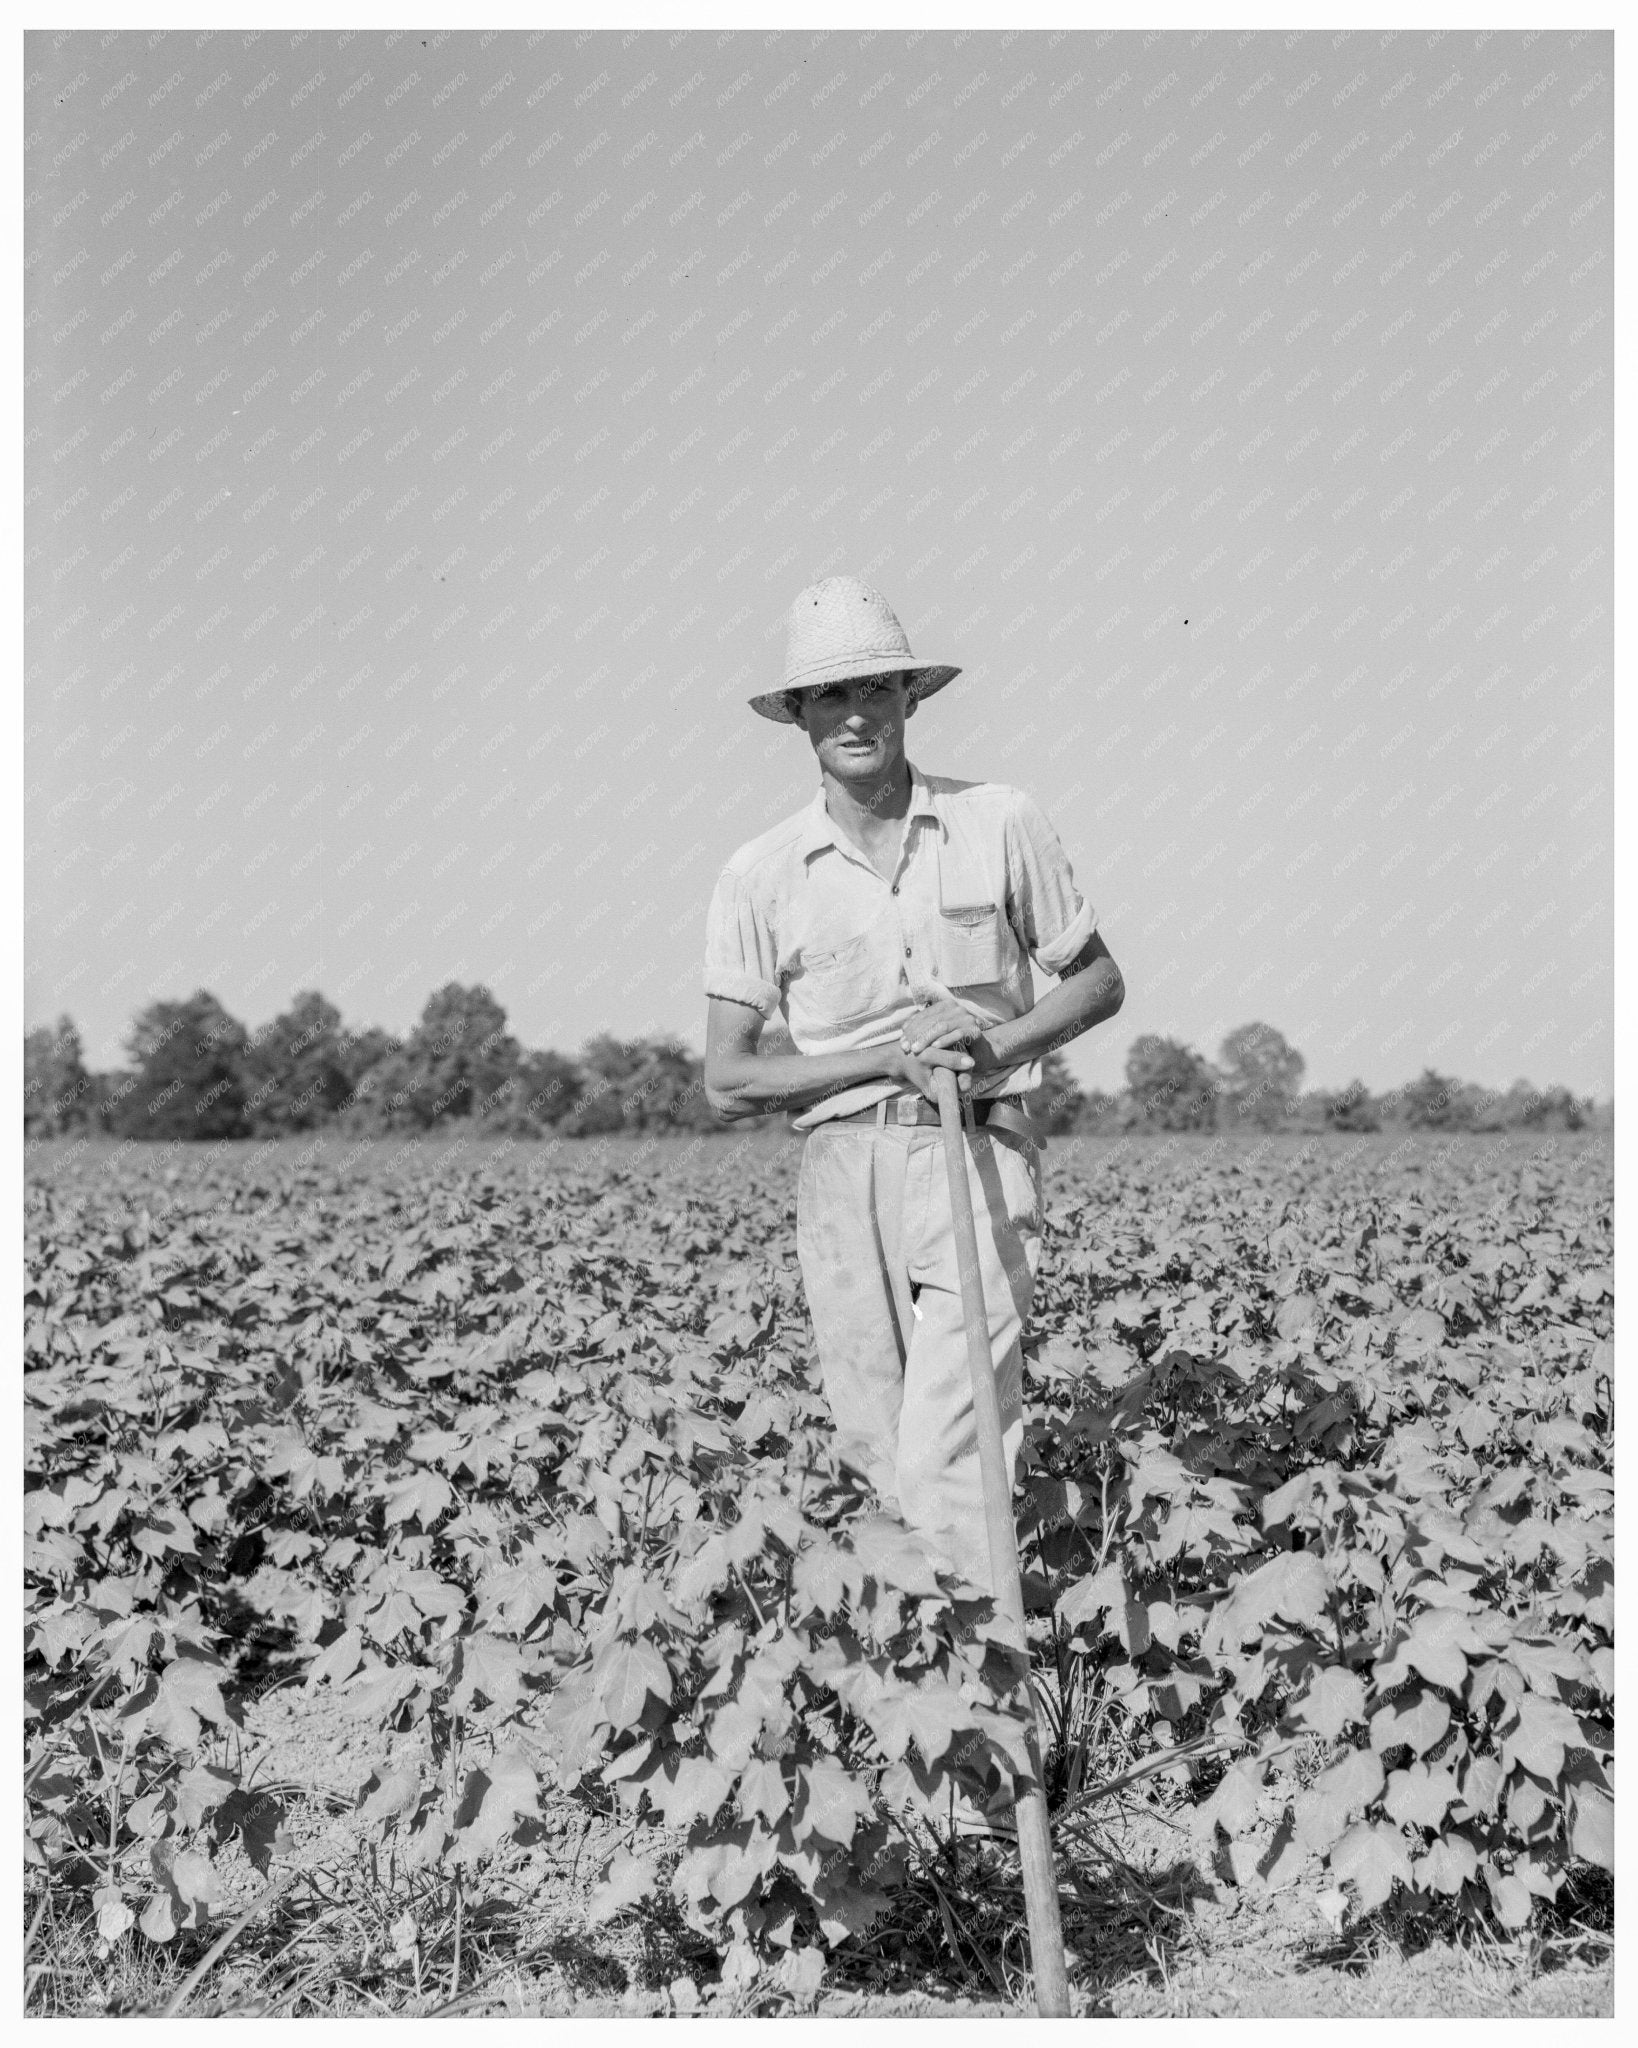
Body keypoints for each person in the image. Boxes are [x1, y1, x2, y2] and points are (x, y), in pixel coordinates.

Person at [701, 575, 1124, 1594]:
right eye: (830, 696)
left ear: (909, 698)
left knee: (953, 1448)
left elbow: (1099, 981)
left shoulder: (998, 820)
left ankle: (985, 1673)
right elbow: (727, 1077)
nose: (856, 715)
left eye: (875, 690)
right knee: (877, 1453)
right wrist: (882, 1060)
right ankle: (907, 1666)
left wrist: (993, 1044)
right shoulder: (761, 873)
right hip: (843, 1169)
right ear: (798, 715)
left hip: (975, 1149)